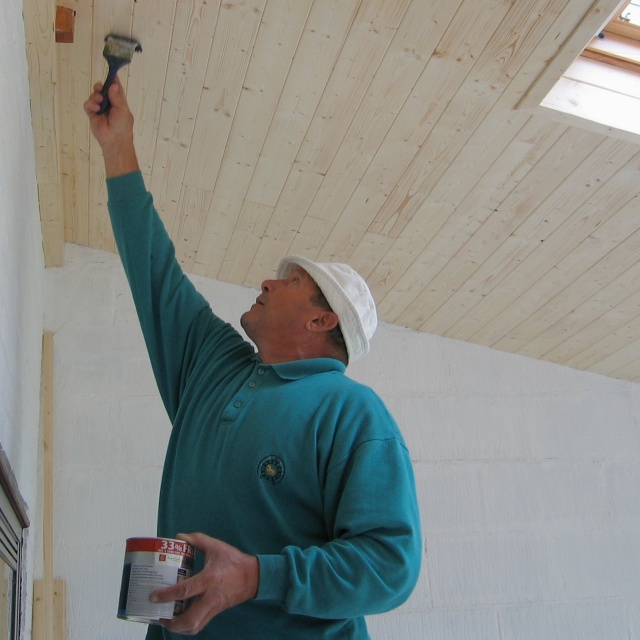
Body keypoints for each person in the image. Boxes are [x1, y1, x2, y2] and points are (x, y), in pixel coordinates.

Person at [84, 76, 421, 639]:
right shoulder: (213, 365)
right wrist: (119, 148)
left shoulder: (352, 412)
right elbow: (156, 274)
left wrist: (255, 577)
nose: (269, 279)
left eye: (291, 280)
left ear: (322, 319)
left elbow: (391, 566)